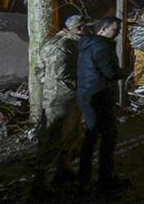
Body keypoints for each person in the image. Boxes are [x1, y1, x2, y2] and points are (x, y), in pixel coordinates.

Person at [31, 15, 89, 198]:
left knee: (71, 134)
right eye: (85, 28)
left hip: (69, 96)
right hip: (60, 100)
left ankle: (62, 170)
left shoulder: (70, 42)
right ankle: (40, 183)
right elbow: (61, 74)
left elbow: (39, 70)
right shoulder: (62, 46)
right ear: (78, 28)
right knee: (54, 138)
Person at [77, 16, 128, 192]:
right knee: (108, 136)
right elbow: (110, 72)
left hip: (86, 93)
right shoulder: (102, 47)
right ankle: (104, 180)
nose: (118, 32)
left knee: (91, 135)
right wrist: (123, 72)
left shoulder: (87, 44)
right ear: (103, 29)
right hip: (99, 95)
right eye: (115, 29)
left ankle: (84, 178)